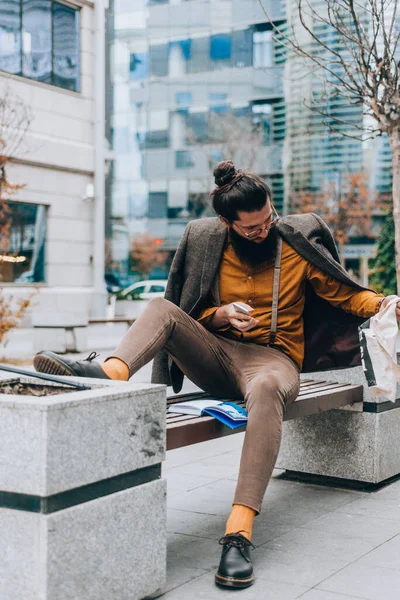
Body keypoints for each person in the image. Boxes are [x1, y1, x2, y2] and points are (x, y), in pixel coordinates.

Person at [34, 160, 400, 590]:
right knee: (160, 310)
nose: (264, 231)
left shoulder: (294, 245)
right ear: (227, 223)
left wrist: (382, 303)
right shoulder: (206, 241)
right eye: (252, 228)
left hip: (274, 362)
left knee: (265, 389)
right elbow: (189, 310)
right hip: (217, 355)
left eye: (269, 220)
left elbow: (346, 293)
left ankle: (239, 532)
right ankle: (111, 373)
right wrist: (222, 315)